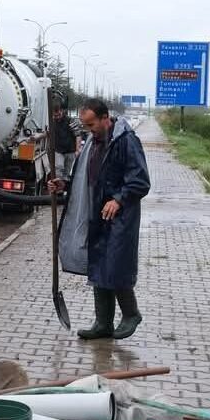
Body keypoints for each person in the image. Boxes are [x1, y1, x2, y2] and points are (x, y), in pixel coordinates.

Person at [49, 98, 151, 340]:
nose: (88, 130)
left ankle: (131, 314)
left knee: (115, 265)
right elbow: (85, 178)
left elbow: (140, 181)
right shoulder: (91, 143)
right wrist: (64, 185)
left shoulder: (126, 141)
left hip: (120, 215)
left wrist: (118, 199)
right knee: (98, 266)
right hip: (95, 213)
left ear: (106, 118)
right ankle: (103, 323)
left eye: (92, 124)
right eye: (85, 126)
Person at [50, 104, 78, 180]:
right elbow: (48, 133)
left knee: (67, 172)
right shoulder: (52, 122)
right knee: (58, 169)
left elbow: (77, 135)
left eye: (59, 115)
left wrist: (78, 150)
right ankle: (58, 186)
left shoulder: (70, 120)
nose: (57, 117)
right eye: (55, 116)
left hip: (70, 151)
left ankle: (64, 187)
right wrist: (37, 137)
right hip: (59, 150)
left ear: (62, 111)